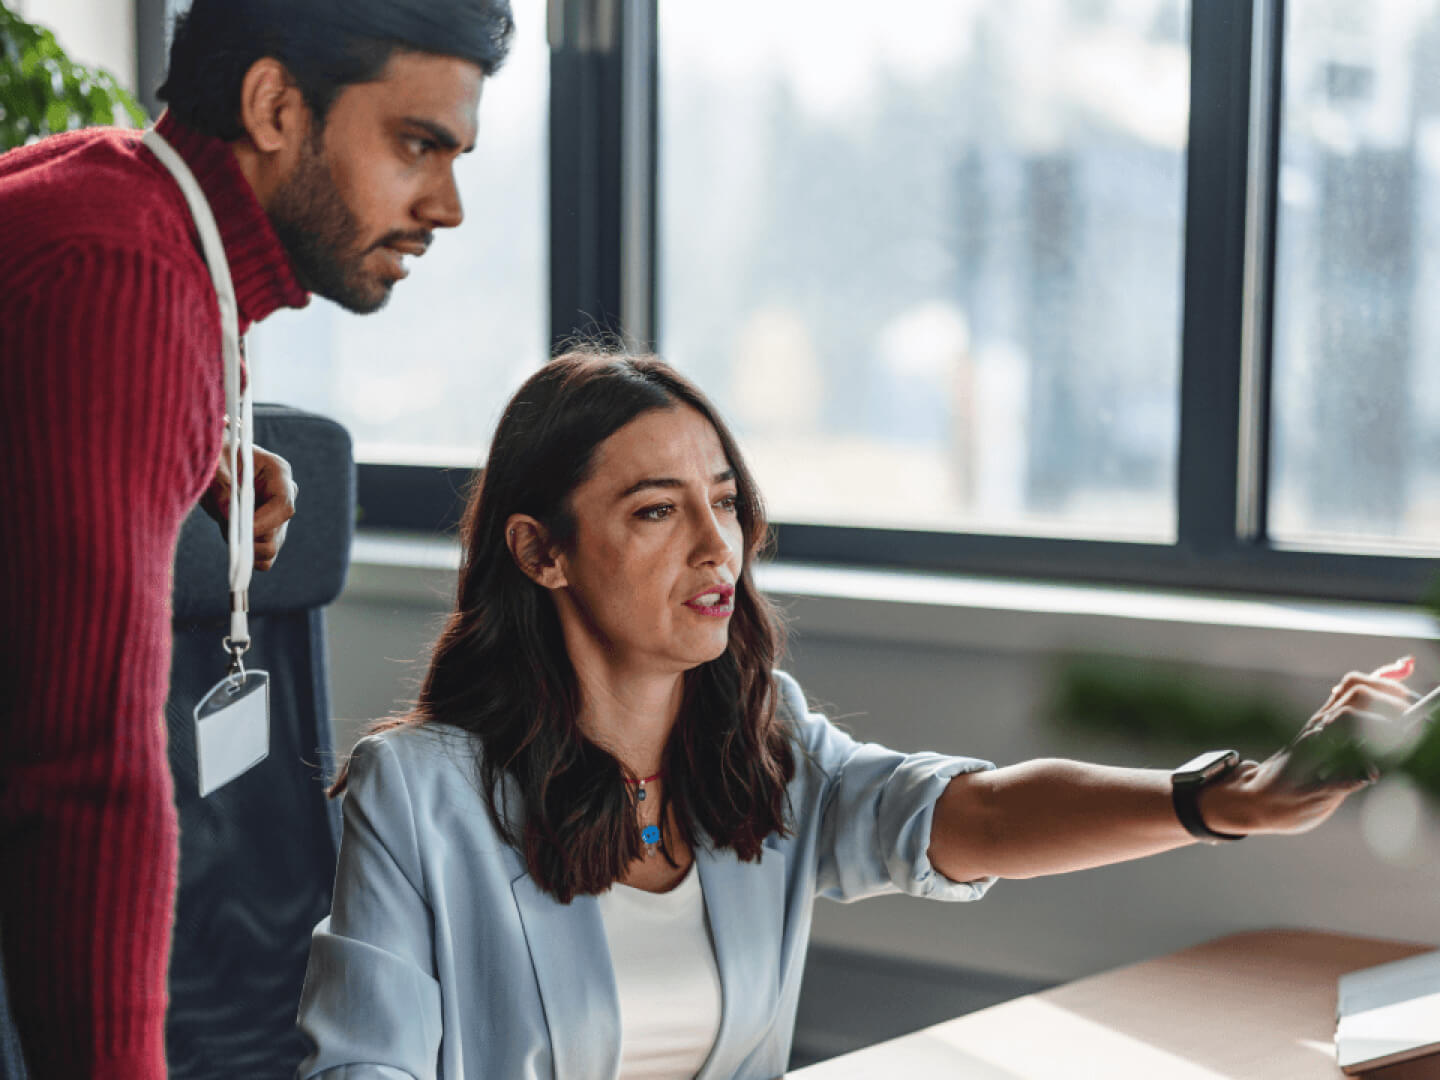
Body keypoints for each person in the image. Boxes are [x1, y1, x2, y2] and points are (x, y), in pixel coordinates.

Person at [296, 349, 1420, 1079]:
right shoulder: (422, 796)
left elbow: (964, 814)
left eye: (725, 502)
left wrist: (1231, 800)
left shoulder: (757, 740)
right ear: (541, 551)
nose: (714, 547)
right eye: (655, 510)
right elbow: (360, 1070)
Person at [0, 1, 514, 1074]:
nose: (449, 207)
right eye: (419, 144)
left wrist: (192, 442)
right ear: (276, 106)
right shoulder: (126, 273)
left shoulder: (104, 185)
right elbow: (88, 773)